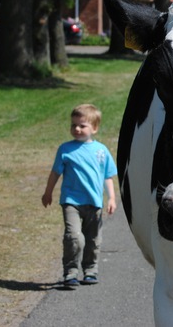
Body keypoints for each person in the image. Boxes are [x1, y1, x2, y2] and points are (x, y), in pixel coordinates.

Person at [42, 103, 117, 289]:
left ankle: (90, 270)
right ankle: (71, 272)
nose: (77, 129)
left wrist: (112, 198)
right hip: (71, 202)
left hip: (94, 202)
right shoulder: (65, 149)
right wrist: (48, 192)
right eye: (73, 125)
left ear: (94, 128)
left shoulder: (101, 151)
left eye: (82, 125)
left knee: (93, 240)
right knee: (74, 237)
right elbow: (55, 173)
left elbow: (107, 176)